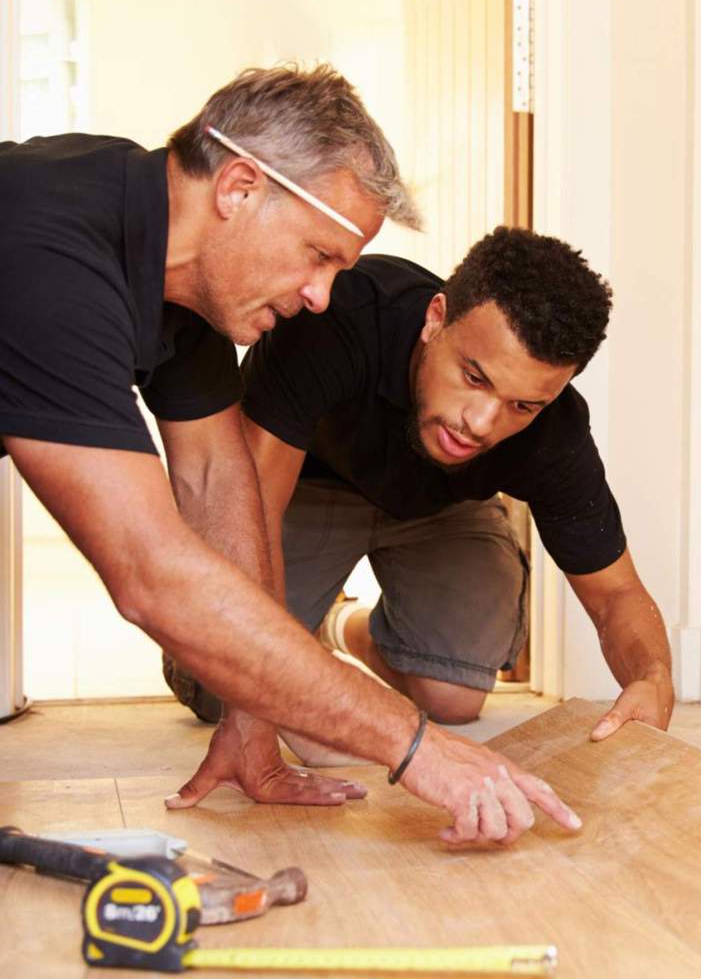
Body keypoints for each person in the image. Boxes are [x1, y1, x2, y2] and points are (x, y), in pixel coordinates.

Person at [0, 67, 580, 847]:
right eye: (318, 255)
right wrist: (414, 745)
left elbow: (216, 478)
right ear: (239, 187)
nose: (321, 296)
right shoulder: (49, 256)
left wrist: (253, 719)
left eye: (340, 270)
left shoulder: (176, 271)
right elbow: (152, 572)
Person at [167, 227, 674, 776]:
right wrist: (303, 701)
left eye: (522, 405)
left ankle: (338, 626)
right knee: (221, 690)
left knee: (451, 698)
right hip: (309, 487)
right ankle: (297, 637)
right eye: (473, 377)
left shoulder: (555, 433)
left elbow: (617, 593)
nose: (480, 423)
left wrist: (652, 678)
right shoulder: (338, 319)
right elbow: (249, 515)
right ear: (436, 318)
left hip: (442, 508)